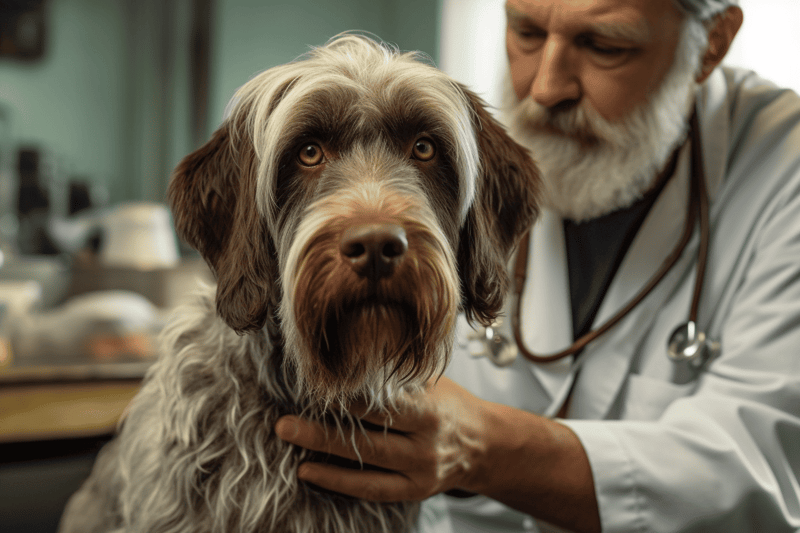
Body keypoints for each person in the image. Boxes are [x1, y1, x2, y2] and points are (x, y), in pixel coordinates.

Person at [275, 0, 800, 531]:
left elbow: (762, 465)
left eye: (604, 46)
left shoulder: (784, 170)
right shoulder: (460, 148)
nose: (547, 88)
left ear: (711, 43)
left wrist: (486, 448)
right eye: (526, 31)